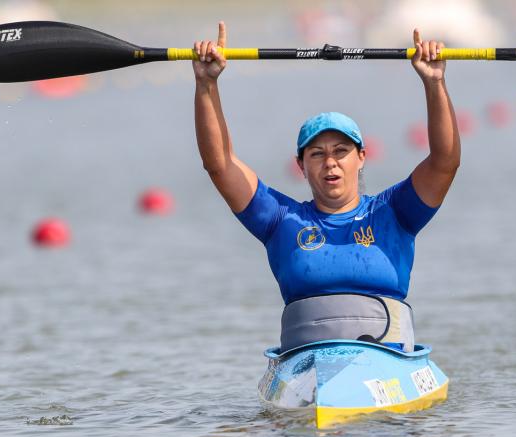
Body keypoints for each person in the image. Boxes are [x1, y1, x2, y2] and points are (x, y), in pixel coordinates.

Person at [193, 22, 460, 353]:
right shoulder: (279, 220)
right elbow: (220, 166)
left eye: (341, 152)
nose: (330, 162)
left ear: (361, 157)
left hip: (390, 362)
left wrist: (435, 83)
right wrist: (206, 84)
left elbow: (444, 162)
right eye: (317, 154)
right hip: (303, 366)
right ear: (301, 166)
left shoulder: (395, 212)